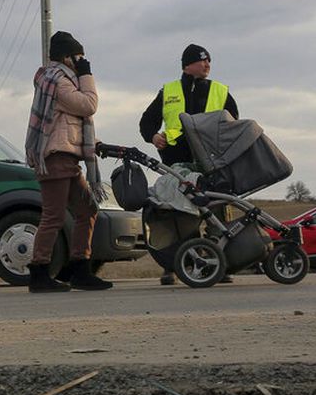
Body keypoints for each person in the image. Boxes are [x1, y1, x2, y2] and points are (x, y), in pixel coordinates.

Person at [138, 43, 239, 285]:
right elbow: (146, 123)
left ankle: (220, 263)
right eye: (202, 60)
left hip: (211, 165)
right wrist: (153, 136)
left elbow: (234, 126)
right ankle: (174, 266)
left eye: (209, 61)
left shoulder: (221, 91)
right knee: (179, 216)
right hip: (177, 165)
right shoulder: (168, 91)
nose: (207, 65)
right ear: (187, 65)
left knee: (217, 211)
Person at [23, 31, 115, 293]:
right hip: (55, 157)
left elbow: (71, 121)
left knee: (87, 210)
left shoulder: (61, 80)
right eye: (79, 56)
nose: (83, 60)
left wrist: (91, 143)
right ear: (67, 57)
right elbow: (88, 105)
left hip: (66, 155)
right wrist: (87, 75)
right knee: (53, 216)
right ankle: (39, 272)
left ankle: (80, 268)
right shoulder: (58, 82)